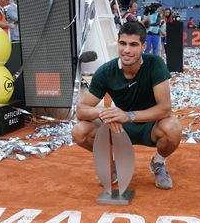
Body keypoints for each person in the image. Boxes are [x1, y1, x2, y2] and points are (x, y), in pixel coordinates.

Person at [72, 22, 182, 190]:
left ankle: (158, 163)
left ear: (144, 46)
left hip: (150, 126)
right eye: (123, 43)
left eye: (133, 44)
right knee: (79, 131)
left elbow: (165, 108)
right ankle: (112, 162)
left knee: (173, 128)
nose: (127, 50)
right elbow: (81, 110)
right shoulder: (106, 71)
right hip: (119, 129)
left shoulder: (155, 64)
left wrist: (129, 115)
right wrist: (102, 112)